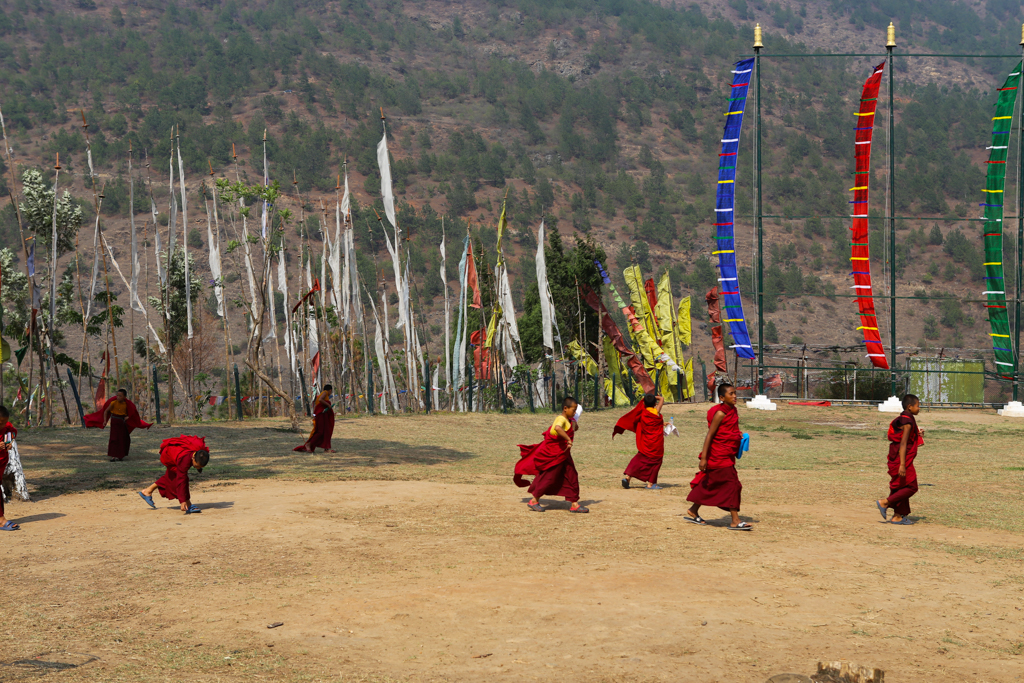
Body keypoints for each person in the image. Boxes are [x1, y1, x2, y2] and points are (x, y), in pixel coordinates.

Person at [686, 384, 751, 530]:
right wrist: (704, 458)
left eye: (735, 393)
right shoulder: (720, 413)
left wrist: (737, 435)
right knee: (732, 485)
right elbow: (710, 435)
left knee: (711, 484)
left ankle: (693, 509)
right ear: (721, 398)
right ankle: (735, 520)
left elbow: (729, 430)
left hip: (727, 454)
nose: (734, 396)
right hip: (718, 455)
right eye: (731, 394)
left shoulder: (733, 410)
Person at [514, 397, 588, 513]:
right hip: (555, 455)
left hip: (564, 455)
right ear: (565, 408)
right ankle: (534, 500)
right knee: (548, 477)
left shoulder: (568, 420)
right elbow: (557, 428)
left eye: (575, 411)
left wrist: (574, 422)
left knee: (572, 475)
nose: (574, 412)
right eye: (573, 410)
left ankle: (574, 503)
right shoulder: (560, 419)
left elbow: (573, 429)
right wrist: (568, 439)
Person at [876, 394, 923, 525]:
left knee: (902, 486)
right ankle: (884, 502)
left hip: (899, 456)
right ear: (910, 407)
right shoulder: (907, 422)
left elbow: (906, 437)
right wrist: (902, 464)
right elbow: (903, 443)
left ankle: (897, 516)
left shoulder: (905, 418)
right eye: (918, 406)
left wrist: (917, 434)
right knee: (912, 487)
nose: (919, 408)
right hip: (901, 458)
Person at [138, 435, 210, 515]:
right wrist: (182, 501)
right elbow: (181, 481)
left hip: (177, 454)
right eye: (196, 466)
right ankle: (188, 505)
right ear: (193, 458)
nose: (196, 467)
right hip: (169, 455)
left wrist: (198, 467)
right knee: (179, 479)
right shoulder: (185, 460)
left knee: (171, 477)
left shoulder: (200, 453)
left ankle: (147, 491)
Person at [614, 393, 665, 490]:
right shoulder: (656, 411)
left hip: (646, 442)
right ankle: (651, 484)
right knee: (657, 461)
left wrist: (646, 398)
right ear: (655, 403)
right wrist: (654, 397)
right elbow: (661, 398)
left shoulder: (643, 413)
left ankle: (628, 477)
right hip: (656, 443)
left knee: (640, 458)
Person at [84, 389, 151, 461]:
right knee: (114, 438)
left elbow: (132, 413)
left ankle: (120, 456)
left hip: (122, 423)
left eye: (120, 396)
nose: (118, 397)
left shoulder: (127, 404)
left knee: (122, 439)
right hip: (114, 422)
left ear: (124, 397)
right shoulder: (113, 403)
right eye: (117, 395)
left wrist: (127, 417)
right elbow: (106, 411)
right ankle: (113, 456)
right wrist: (105, 421)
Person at [294, 384, 335, 453]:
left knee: (326, 431)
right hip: (320, 414)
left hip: (323, 415)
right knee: (320, 431)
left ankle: (326, 449)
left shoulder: (326, 394)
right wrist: (328, 405)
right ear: (330, 390)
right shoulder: (325, 392)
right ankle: (308, 445)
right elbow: (320, 399)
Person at [0, 406, 19, 531]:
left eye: (3, 422)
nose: (2, 425)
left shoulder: (7, 429)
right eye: (0, 423)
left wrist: (8, 443)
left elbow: (11, 436)